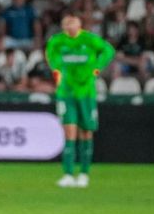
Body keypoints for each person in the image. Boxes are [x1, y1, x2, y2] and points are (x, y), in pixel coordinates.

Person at [45, 15, 115, 188]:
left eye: (72, 23)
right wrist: (56, 71)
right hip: (66, 93)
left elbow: (108, 50)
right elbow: (50, 55)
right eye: (66, 24)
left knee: (86, 131)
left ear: (79, 24)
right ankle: (68, 173)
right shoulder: (58, 41)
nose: (69, 26)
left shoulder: (89, 39)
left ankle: (84, 173)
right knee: (69, 132)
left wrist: (97, 68)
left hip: (86, 93)